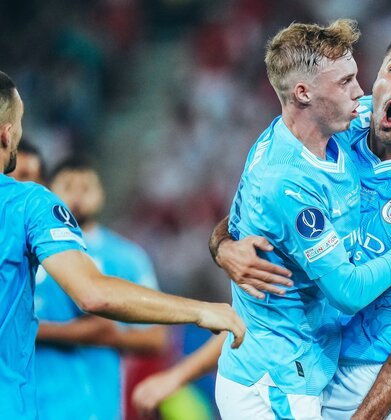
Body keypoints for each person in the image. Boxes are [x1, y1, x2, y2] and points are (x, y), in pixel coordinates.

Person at [133, 23, 391, 420]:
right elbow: (262, 212)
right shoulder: (342, 124)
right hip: (310, 367)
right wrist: (223, 247)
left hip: (379, 381)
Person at [0, 70, 245, 419]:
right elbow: (93, 294)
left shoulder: (123, 254)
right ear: (7, 133)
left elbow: (150, 339)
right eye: (20, 122)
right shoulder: (27, 204)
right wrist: (201, 310)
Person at [38, 156, 170, 420]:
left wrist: (96, 333)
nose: (77, 197)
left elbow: (155, 338)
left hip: (96, 406)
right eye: (68, 186)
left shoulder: (125, 257)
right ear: (49, 190)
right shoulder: (32, 251)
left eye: (86, 188)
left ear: (101, 194)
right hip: (34, 403)